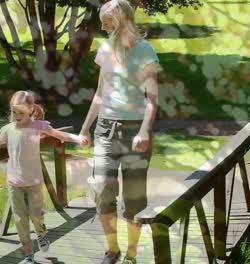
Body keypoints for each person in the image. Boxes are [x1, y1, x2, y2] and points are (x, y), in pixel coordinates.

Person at [79, 0, 159, 263]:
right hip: (106, 129)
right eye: (102, 22)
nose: (103, 27)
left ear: (122, 18)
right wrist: (86, 128)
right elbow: (100, 95)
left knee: (134, 198)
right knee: (103, 190)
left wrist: (145, 131)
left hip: (136, 130)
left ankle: (132, 253)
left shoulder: (146, 51)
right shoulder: (105, 49)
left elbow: (152, 99)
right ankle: (113, 250)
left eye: (107, 21)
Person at [0, 90, 85, 264]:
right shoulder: (7, 130)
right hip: (14, 184)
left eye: (21, 112)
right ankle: (29, 254)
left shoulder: (38, 127)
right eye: (14, 111)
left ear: (31, 109)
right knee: (19, 219)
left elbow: (59, 135)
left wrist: (78, 139)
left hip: (34, 182)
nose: (16, 116)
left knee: (35, 215)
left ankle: (42, 233)